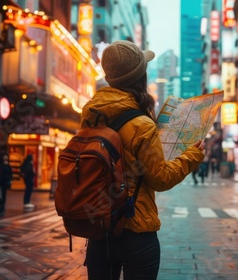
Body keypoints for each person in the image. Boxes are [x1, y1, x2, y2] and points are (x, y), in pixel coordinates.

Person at [81, 40, 204, 280]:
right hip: (135, 229)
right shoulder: (142, 124)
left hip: (99, 228)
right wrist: (192, 155)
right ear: (140, 77)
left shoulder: (91, 115)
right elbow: (160, 179)